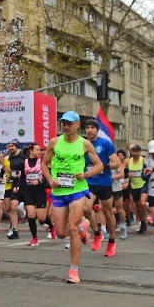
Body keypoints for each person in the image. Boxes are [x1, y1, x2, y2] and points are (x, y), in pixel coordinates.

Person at [42, 111, 104, 284]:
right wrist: (50, 179)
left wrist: (85, 175)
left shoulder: (84, 144)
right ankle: (85, 225)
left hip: (77, 189)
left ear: (78, 125)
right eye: (64, 123)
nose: (66, 127)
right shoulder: (55, 142)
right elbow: (44, 164)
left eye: (70, 124)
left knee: (73, 228)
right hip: (59, 191)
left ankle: (74, 270)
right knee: (61, 234)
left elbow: (99, 166)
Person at [83, 119, 119, 257]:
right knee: (86, 208)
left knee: (108, 213)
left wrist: (105, 166)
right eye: (87, 127)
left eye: (92, 127)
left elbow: (117, 162)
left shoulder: (105, 144)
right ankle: (97, 233)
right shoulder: (83, 144)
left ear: (97, 130)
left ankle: (111, 241)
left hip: (104, 183)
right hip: (89, 182)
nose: (89, 130)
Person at [20, 144, 50, 246]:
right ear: (31, 151)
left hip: (40, 191)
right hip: (29, 192)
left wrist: (40, 181)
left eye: (39, 150)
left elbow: (48, 176)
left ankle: (52, 226)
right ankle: (34, 238)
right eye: (37, 150)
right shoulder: (24, 162)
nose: (39, 152)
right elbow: (22, 177)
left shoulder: (42, 162)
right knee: (31, 215)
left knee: (41, 217)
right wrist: (19, 188)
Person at [4, 139, 25, 239]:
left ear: (17, 146)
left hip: (23, 184)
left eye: (12, 146)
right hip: (14, 184)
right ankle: (15, 230)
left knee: (37, 213)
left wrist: (19, 173)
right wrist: (10, 175)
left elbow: (25, 170)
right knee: (12, 206)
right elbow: (13, 172)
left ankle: (22, 213)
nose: (10, 148)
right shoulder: (10, 158)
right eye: (9, 146)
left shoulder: (23, 157)